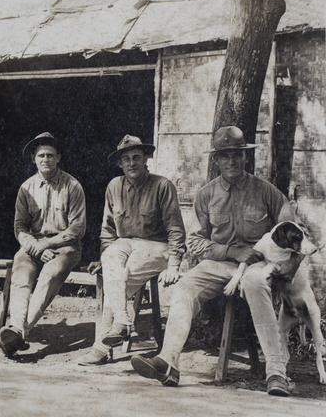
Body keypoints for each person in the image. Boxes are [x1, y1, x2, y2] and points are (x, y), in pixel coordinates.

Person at [131, 126, 300, 396]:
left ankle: (277, 372)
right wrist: (231, 252)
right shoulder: (206, 195)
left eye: (236, 155)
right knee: (185, 286)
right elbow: (195, 242)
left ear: (246, 158)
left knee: (256, 284)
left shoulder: (266, 192)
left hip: (257, 264)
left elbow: (294, 230)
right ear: (217, 160)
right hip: (220, 263)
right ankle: (168, 362)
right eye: (224, 156)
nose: (230, 161)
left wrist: (285, 267)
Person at [75, 134, 186, 365]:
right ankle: (123, 323)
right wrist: (105, 257)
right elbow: (107, 228)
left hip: (157, 246)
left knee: (117, 280)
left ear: (146, 159)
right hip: (125, 244)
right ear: (120, 163)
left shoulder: (162, 185)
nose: (132, 163)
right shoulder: (114, 186)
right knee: (113, 262)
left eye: (137, 157)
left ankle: (103, 346)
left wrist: (174, 263)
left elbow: (175, 228)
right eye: (126, 159)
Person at [0, 132, 86, 357]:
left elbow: (77, 229)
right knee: (21, 274)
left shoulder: (72, 186)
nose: (45, 159)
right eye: (41, 155)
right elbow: (19, 227)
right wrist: (35, 246)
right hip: (33, 247)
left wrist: (47, 245)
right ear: (34, 159)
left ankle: (18, 332)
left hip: (66, 247)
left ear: (58, 158)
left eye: (50, 155)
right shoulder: (26, 188)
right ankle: (16, 329)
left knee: (49, 275)